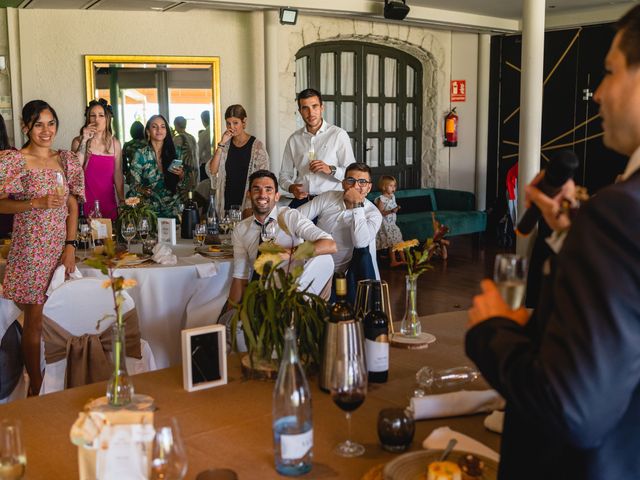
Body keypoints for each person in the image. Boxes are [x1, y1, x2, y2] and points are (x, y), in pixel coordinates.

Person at [465, 6, 640, 479]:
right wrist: (567, 226)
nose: (598, 93)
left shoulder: (622, 211)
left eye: (609, 72)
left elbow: (573, 407)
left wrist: (493, 329)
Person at [0, 100, 85, 395]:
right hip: (31, 248)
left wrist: (71, 246)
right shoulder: (15, 160)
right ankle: (35, 384)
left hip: (60, 248)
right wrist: (33, 203)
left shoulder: (65, 159)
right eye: (38, 124)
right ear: (26, 127)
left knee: (62, 312)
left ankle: (58, 375)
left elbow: (72, 205)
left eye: (51, 123)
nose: (46, 130)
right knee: (35, 319)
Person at [226, 170, 336, 308]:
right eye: (256, 189)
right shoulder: (241, 229)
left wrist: (289, 253)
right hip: (261, 295)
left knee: (325, 258)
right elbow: (239, 278)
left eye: (268, 189)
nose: (262, 195)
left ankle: (293, 310)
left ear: (277, 196)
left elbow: (330, 244)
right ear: (249, 195)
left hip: (292, 291)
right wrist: (230, 317)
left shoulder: (289, 217)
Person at [298, 162, 382, 301]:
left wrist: (357, 206)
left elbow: (360, 243)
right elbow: (297, 216)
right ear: (343, 183)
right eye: (351, 181)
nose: (355, 186)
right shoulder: (328, 197)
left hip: (342, 277)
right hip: (309, 264)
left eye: (362, 182)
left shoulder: (373, 214)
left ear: (369, 187)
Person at [279, 88, 356, 208]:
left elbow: (352, 175)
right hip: (303, 200)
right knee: (283, 224)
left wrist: (331, 170)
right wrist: (291, 187)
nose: (311, 113)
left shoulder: (338, 134)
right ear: (300, 111)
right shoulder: (294, 139)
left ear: (322, 107)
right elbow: (284, 175)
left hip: (332, 201)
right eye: (305, 108)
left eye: (314, 106)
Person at [206, 105, 269, 215]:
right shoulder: (225, 146)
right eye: (228, 123)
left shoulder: (257, 147)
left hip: (248, 204)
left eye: (235, 123)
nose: (231, 127)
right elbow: (212, 170)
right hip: (226, 202)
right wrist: (221, 144)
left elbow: (263, 178)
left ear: (244, 122)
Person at [71, 98, 124, 221]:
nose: (96, 119)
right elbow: (74, 172)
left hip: (108, 201)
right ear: (88, 119)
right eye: (92, 116)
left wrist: (122, 201)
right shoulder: (78, 141)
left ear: (107, 119)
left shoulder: (115, 144)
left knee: (109, 238)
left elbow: (118, 174)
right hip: (85, 201)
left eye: (101, 115)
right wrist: (84, 140)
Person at [128, 115, 184, 218]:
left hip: (173, 210)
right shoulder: (140, 155)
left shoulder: (176, 152)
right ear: (148, 131)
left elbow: (183, 186)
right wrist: (143, 189)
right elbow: (133, 185)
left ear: (166, 131)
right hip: (150, 213)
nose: (159, 130)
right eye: (154, 126)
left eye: (163, 126)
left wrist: (181, 175)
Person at [375, 175, 405, 267]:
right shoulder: (381, 199)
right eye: (391, 186)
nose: (393, 188)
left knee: (398, 239)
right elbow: (380, 212)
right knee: (392, 242)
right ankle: (393, 261)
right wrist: (392, 210)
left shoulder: (392, 196)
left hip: (392, 223)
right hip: (385, 224)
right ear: (384, 187)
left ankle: (404, 259)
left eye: (394, 186)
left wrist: (396, 208)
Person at [172, 116, 199, 193]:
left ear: (175, 125)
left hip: (184, 174)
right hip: (194, 173)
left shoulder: (178, 138)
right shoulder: (192, 137)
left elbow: (176, 159)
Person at [122, 121, 146, 185]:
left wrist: (126, 172)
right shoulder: (147, 144)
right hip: (146, 174)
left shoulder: (127, 145)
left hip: (131, 174)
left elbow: (123, 161)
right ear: (143, 131)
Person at [198, 110, 212, 183]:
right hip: (218, 164)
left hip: (206, 166)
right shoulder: (217, 130)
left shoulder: (203, 134)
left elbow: (198, 153)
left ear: (203, 120)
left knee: (204, 190)